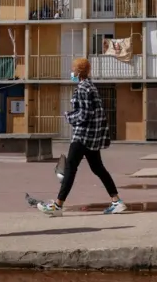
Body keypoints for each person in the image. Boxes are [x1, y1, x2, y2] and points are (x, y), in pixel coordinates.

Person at [36, 58, 127, 216]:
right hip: (91, 136)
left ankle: (58, 205)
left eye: (73, 69)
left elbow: (84, 113)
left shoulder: (83, 88)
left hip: (83, 135)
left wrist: (68, 116)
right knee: (98, 168)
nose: (71, 72)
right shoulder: (90, 86)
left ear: (78, 72)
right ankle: (116, 201)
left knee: (70, 168)